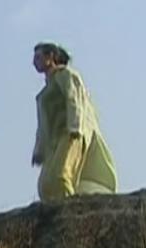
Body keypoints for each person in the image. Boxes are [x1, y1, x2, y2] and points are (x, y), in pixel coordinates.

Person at [31, 42, 118, 200]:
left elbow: (74, 99)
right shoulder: (44, 93)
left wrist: (75, 126)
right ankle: (52, 210)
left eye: (38, 57)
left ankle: (68, 207)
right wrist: (39, 150)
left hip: (71, 133)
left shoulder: (67, 75)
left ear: (50, 57)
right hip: (54, 140)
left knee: (62, 175)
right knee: (45, 184)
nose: (34, 62)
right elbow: (42, 124)